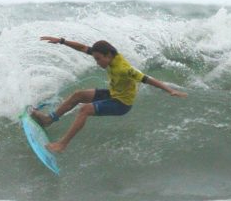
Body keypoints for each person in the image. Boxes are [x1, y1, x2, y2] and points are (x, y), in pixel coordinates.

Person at [31, 36, 187, 153]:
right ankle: (48, 120)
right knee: (78, 94)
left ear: (108, 56)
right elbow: (83, 48)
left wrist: (170, 90)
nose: (97, 62)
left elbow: (147, 79)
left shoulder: (124, 69)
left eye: (98, 59)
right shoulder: (108, 56)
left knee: (84, 109)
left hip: (121, 104)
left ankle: (62, 144)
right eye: (95, 58)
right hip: (113, 94)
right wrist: (61, 41)